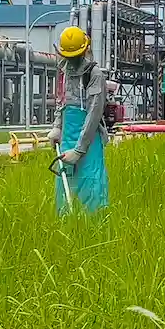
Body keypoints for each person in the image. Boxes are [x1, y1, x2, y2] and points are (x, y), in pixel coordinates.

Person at [48, 26, 109, 214]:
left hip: (88, 141)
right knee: (66, 182)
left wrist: (80, 149)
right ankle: (66, 225)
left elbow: (93, 113)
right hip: (67, 135)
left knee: (90, 184)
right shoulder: (65, 70)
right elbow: (63, 100)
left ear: (85, 51)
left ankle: (92, 228)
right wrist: (57, 126)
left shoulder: (94, 74)